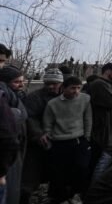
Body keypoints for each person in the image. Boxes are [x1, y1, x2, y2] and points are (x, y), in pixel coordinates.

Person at [42, 76, 92, 204]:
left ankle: (75, 195)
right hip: (59, 141)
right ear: (63, 88)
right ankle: (60, 198)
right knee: (60, 173)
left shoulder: (85, 99)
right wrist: (47, 134)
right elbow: (48, 122)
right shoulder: (53, 104)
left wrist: (86, 137)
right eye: (72, 88)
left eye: (78, 88)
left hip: (79, 140)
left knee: (81, 168)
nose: (76, 91)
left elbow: (88, 119)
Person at [20, 69, 64, 204]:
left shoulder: (66, 97)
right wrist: (39, 134)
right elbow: (30, 118)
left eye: (54, 84)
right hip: (37, 143)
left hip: (60, 142)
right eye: (48, 83)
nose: (51, 86)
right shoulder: (35, 97)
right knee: (29, 179)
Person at [89, 63, 112, 181]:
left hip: (111, 130)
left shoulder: (110, 85)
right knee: (102, 161)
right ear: (107, 71)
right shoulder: (99, 84)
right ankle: (94, 189)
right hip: (104, 130)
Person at [0, 65, 27, 204]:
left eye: (22, 81)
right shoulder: (5, 96)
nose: (21, 85)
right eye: (17, 82)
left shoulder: (17, 96)